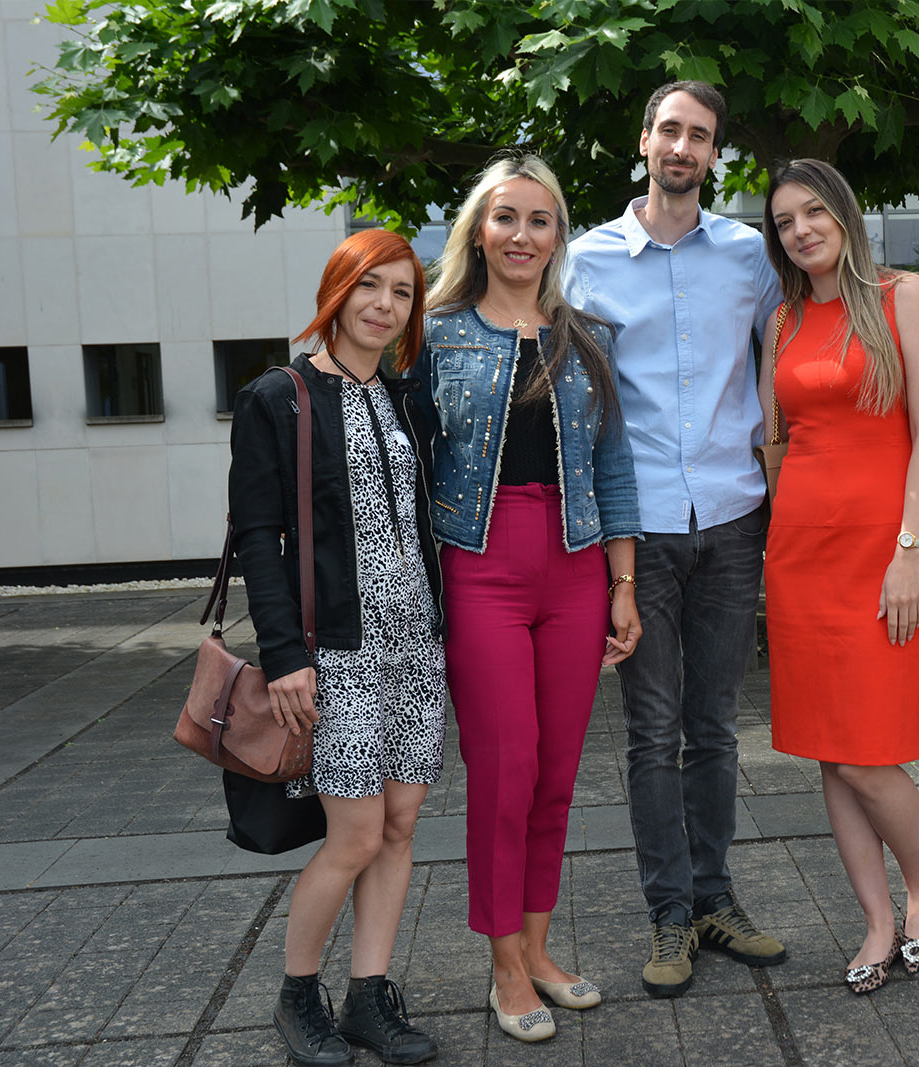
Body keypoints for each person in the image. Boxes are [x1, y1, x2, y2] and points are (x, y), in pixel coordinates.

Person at [409, 153, 642, 1043]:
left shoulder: (588, 337)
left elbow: (613, 469)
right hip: (483, 562)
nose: (521, 235)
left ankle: (539, 947)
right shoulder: (433, 332)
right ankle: (505, 968)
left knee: (555, 773)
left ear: (558, 235)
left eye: (539, 220)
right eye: (505, 217)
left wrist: (624, 584)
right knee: (504, 771)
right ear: (479, 229)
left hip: (578, 563)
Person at [561, 80, 787, 998]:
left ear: (714, 152)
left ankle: (715, 898)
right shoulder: (582, 261)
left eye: (699, 135)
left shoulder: (748, 256)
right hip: (639, 528)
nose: (682, 146)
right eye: (669, 129)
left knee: (718, 728)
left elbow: (786, 365)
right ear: (643, 137)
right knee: (653, 733)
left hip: (733, 519)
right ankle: (668, 911)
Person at [230, 229, 444, 1067]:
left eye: (401, 292)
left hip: (414, 645)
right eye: (370, 286)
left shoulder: (402, 395)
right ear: (337, 292)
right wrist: (285, 655)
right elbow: (257, 533)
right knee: (353, 834)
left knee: (399, 825)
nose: (385, 305)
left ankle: (369, 995)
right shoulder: (277, 396)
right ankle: (297, 994)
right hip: (338, 652)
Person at [761, 158, 919, 994]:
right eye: (784, 221)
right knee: (830, 754)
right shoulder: (781, 319)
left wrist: (910, 547)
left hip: (886, 547)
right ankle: (876, 920)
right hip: (801, 552)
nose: (799, 230)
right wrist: (780, 538)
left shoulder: (903, 295)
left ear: (843, 211)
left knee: (872, 749)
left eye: (812, 212)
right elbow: (776, 441)